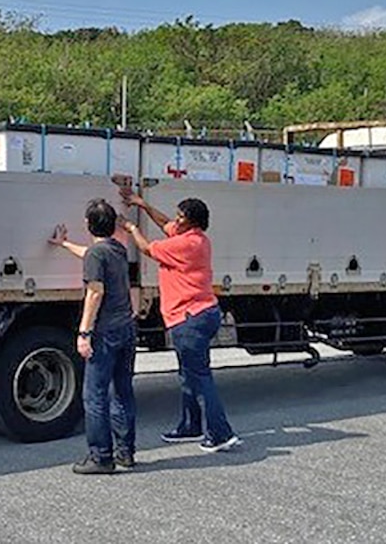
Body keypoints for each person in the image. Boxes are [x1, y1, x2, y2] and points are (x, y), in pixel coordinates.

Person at [119, 191, 241, 453]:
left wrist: (130, 227)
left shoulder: (186, 246)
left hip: (190, 318)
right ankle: (191, 425)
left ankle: (220, 433)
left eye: (181, 217)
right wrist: (143, 204)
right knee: (189, 374)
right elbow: (165, 224)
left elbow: (146, 248)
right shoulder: (196, 238)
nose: (176, 220)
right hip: (200, 314)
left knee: (200, 378)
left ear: (192, 222)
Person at [48, 198, 137, 474]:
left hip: (105, 331)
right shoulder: (117, 250)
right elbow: (91, 254)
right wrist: (64, 244)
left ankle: (101, 457)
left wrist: (84, 332)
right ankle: (126, 453)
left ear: (88, 224)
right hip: (126, 328)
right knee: (122, 392)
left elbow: (95, 291)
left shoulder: (97, 256)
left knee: (95, 395)